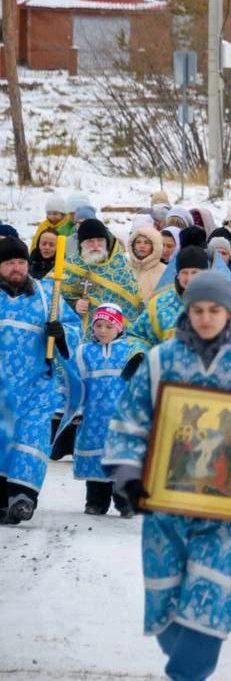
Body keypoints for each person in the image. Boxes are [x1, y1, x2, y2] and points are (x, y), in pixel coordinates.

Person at [101, 272, 231, 679]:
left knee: (211, 595)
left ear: (229, 311)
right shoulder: (161, 360)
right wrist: (130, 478)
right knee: (167, 600)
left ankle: (187, 674)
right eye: (198, 310)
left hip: (228, 506)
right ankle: (186, 666)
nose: (206, 318)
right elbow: (131, 417)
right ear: (188, 311)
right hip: (165, 501)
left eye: (214, 310)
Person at [0, 235, 80, 525]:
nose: (17, 268)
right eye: (9, 263)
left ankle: (23, 497)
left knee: (31, 440)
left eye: (21, 262)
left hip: (36, 387)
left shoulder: (48, 296)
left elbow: (74, 327)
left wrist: (61, 336)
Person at [67, 303, 133, 516]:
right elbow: (75, 384)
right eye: (99, 325)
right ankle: (95, 501)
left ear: (119, 328)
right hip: (92, 416)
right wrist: (75, 411)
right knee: (95, 461)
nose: (103, 330)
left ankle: (125, 502)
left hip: (123, 418)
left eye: (109, 326)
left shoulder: (130, 350)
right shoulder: (83, 352)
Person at [62, 218, 144, 325]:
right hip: (87, 332)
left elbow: (136, 300)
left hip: (122, 332)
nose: (96, 246)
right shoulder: (70, 267)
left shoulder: (121, 266)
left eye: (100, 240)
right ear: (81, 243)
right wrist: (75, 304)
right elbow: (54, 300)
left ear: (106, 241)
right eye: (90, 241)